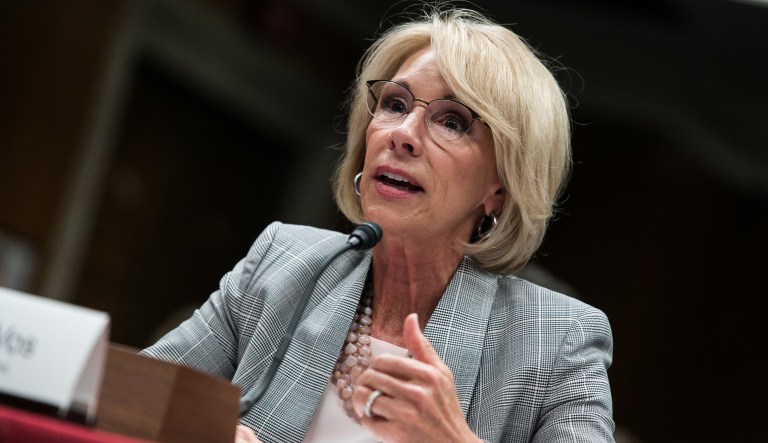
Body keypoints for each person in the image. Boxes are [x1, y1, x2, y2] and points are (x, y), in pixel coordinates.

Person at [142, 6, 614, 443]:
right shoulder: (281, 264)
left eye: (451, 122)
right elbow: (129, 399)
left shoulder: (556, 341)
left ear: (501, 186)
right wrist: (202, 429)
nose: (403, 135)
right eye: (394, 104)